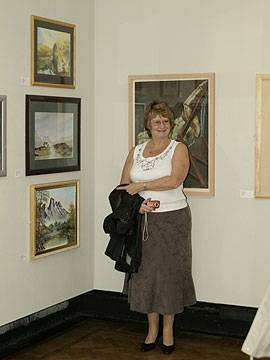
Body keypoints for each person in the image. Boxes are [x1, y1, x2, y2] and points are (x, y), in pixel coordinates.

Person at [118, 100, 196, 355]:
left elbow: (174, 180)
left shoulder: (179, 148)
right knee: (146, 275)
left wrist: (141, 187)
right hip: (143, 221)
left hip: (172, 221)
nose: (162, 125)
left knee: (170, 274)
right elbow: (122, 186)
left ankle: (168, 331)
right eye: (156, 121)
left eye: (166, 121)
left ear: (171, 125)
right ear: (148, 126)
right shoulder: (136, 151)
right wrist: (136, 207)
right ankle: (151, 330)